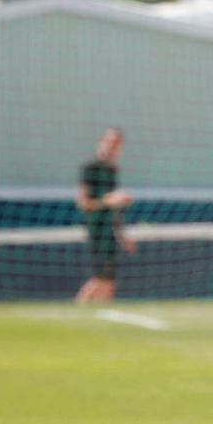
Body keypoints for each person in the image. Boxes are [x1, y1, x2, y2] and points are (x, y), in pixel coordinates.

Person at [74, 127, 134, 304]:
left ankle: (102, 318)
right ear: (101, 143)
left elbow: (114, 210)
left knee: (109, 280)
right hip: (96, 230)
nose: (112, 147)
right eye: (109, 142)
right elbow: (83, 203)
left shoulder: (112, 171)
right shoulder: (90, 168)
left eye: (116, 144)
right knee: (99, 278)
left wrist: (123, 236)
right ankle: (76, 311)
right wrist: (108, 200)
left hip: (109, 232)